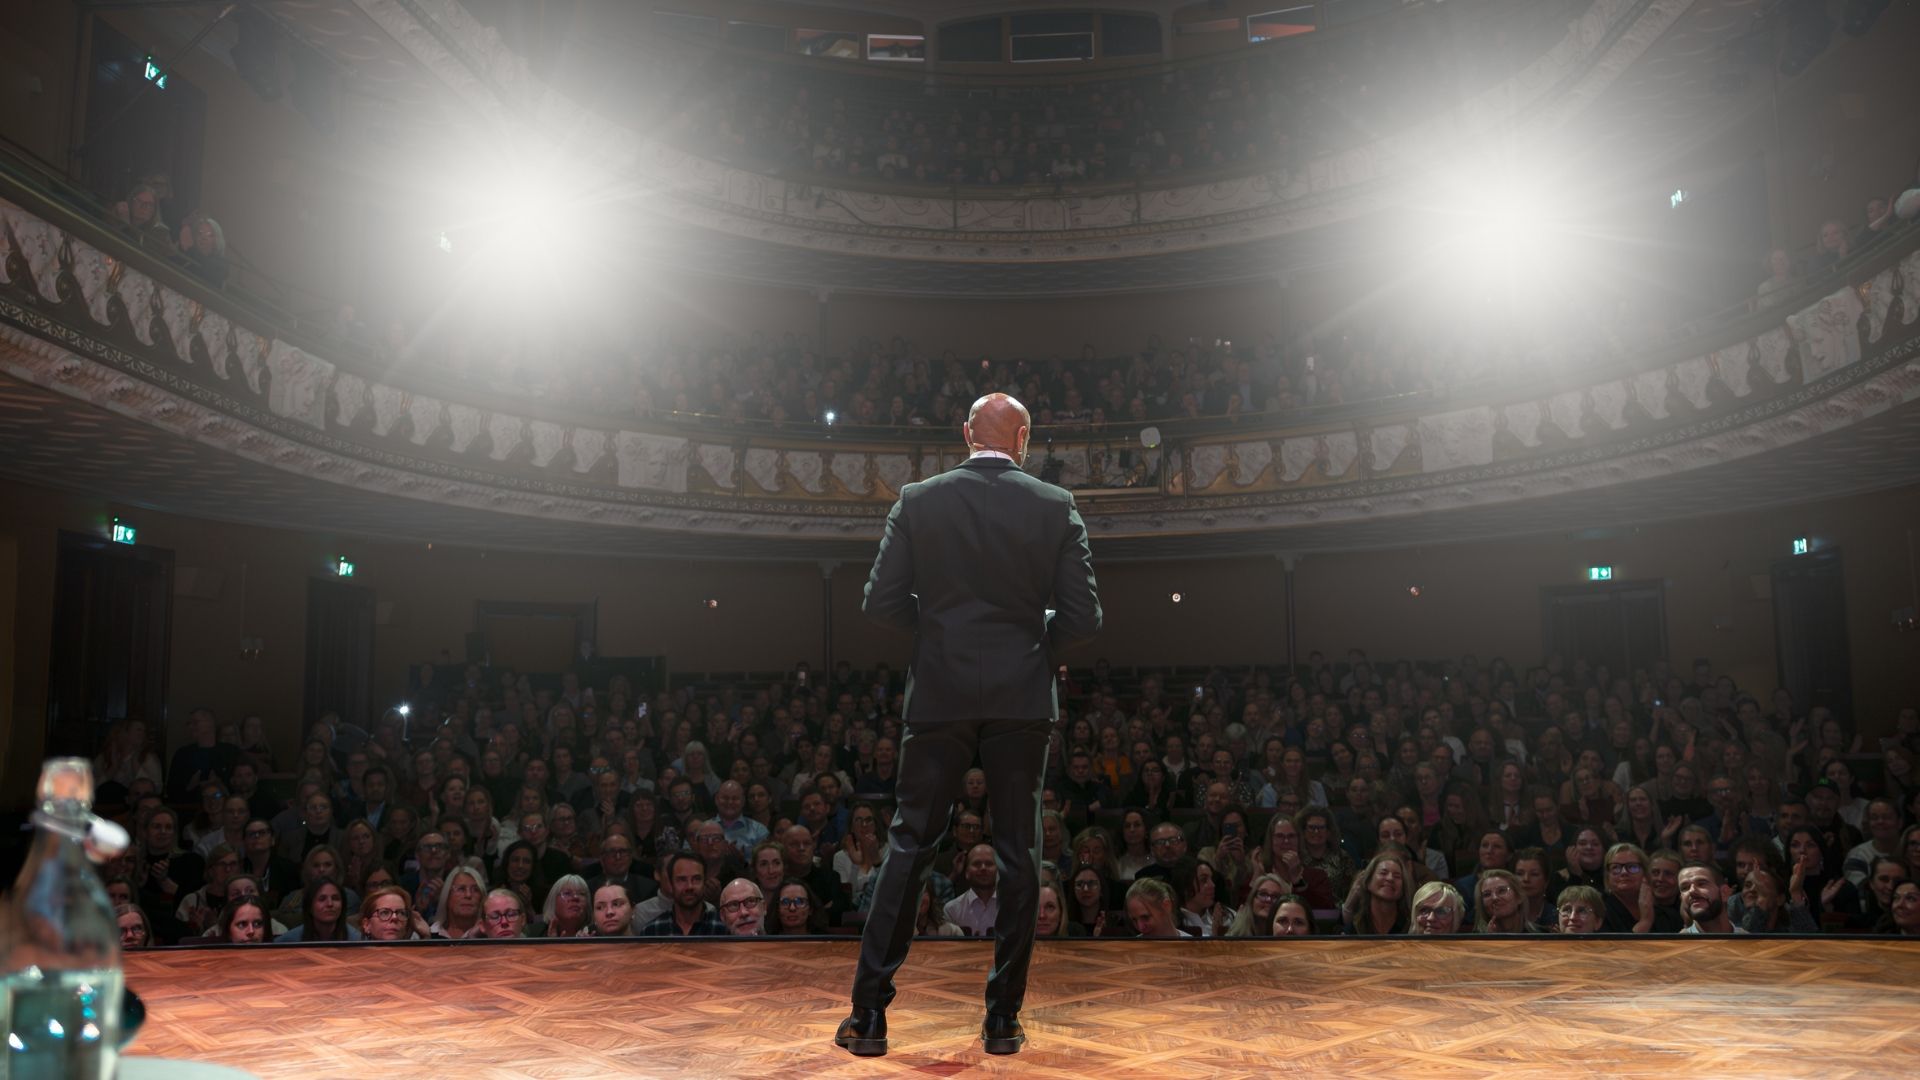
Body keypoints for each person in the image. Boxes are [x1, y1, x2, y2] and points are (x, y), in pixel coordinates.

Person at [841, 392, 1101, 1059]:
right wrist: (1033, 642)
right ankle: (1003, 1021)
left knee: (909, 847)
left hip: (940, 693)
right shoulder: (1054, 505)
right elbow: (1082, 618)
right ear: (1022, 438)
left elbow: (880, 603)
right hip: (1020, 696)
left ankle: (869, 1017)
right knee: (1021, 856)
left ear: (964, 435)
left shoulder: (919, 499)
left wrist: (939, 636)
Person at [1677, 863, 1740, 934]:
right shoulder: (1678, 943)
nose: (1691, 891)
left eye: (1701, 884)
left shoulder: (1749, 941)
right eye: (1685, 888)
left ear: (1724, 892)